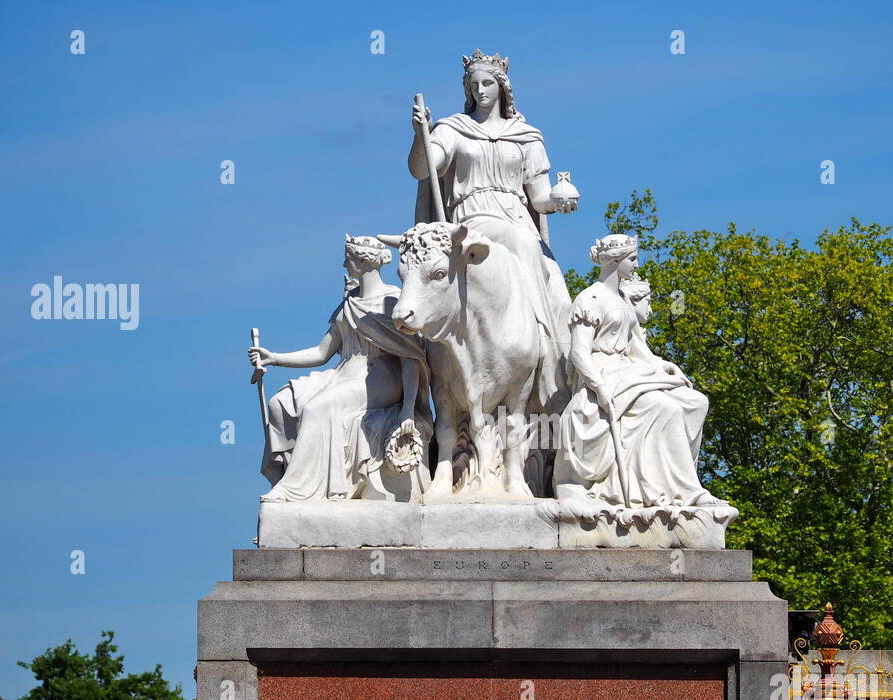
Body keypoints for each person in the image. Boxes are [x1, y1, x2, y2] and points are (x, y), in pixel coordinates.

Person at [407, 49, 577, 413]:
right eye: (474, 85)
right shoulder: (453, 129)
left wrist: (558, 201)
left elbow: (540, 197)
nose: (481, 90)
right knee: (521, 242)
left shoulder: (526, 136)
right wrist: (421, 137)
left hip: (517, 215)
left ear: (501, 87)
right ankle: (539, 335)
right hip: (474, 221)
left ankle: (548, 345)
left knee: (561, 294)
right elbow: (424, 170)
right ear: (467, 90)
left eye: (487, 83)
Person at [248, 236, 431, 502]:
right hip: (343, 373)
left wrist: (408, 408)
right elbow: (322, 353)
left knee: (316, 408)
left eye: (350, 258)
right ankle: (282, 477)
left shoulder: (392, 302)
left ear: (365, 261)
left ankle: (296, 488)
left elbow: (410, 358)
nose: (346, 264)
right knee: (280, 402)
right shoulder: (349, 303)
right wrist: (274, 357)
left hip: (380, 378)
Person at [555, 234, 722, 508]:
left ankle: (678, 483)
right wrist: (598, 386)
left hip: (630, 371)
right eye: (632, 259)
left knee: (695, 402)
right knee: (664, 408)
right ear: (615, 260)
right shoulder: (590, 297)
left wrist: (666, 367)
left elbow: (638, 351)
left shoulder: (622, 298)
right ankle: (685, 492)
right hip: (605, 374)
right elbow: (579, 352)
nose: (635, 265)